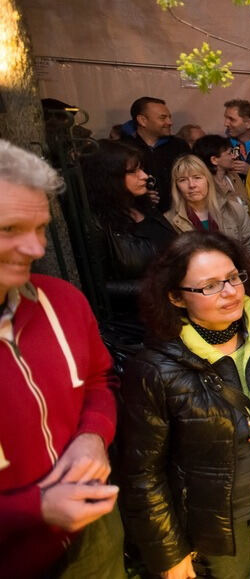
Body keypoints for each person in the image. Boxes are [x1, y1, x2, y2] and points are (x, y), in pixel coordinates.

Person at [121, 231, 250, 578]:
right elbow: (143, 473)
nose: (230, 292)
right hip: (214, 518)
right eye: (209, 286)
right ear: (176, 297)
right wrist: (168, 551)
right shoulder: (154, 370)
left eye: (232, 277)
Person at [0, 140, 124, 578]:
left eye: (41, 228)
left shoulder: (64, 301)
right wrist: (33, 510)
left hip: (95, 536)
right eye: (10, 229)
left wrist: (94, 434)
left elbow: (100, 379)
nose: (35, 249)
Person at [82, 140, 177, 322]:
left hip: (169, 312)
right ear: (109, 177)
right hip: (136, 322)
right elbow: (97, 286)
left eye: (141, 169)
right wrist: (157, 287)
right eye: (133, 172)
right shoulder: (96, 224)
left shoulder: (144, 206)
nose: (144, 176)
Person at [166, 154, 250, 249]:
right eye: (183, 180)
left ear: (208, 180)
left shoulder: (235, 210)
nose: (191, 185)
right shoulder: (169, 220)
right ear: (176, 186)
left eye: (197, 177)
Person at [119, 96, 191, 212]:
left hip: (179, 213)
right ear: (142, 120)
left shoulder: (179, 146)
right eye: (163, 118)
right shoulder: (123, 149)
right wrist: (137, 196)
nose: (170, 122)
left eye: (169, 117)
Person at [193, 134, 250, 216]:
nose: (234, 156)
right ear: (214, 160)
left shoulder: (234, 176)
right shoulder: (207, 188)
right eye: (229, 153)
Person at [224, 99, 250, 175]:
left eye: (231, 119)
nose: (225, 123)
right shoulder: (222, 147)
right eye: (226, 118)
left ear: (248, 123)